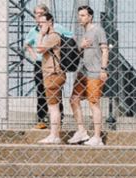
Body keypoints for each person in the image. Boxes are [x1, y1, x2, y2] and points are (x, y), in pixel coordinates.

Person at [24, 4, 72, 130]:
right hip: (40, 63)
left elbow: (71, 38)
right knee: (40, 91)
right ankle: (42, 119)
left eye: (41, 13)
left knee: (56, 91)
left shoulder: (57, 29)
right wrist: (34, 57)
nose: (38, 16)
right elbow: (28, 44)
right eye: (36, 14)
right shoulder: (33, 31)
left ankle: (58, 120)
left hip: (53, 64)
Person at [67, 5, 109, 147]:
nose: (80, 17)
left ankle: (97, 137)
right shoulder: (84, 33)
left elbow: (105, 50)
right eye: (79, 15)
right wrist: (80, 46)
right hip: (82, 72)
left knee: (93, 103)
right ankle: (81, 131)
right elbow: (80, 52)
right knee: (74, 99)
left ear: (90, 17)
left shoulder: (98, 30)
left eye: (83, 15)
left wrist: (103, 69)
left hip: (95, 72)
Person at [33, 12, 67, 144]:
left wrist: (41, 34)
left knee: (53, 107)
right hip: (52, 73)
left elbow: (39, 49)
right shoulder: (51, 37)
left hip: (53, 74)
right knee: (54, 105)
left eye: (42, 23)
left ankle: (54, 135)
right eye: (39, 23)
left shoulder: (53, 36)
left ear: (50, 22)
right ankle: (54, 134)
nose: (40, 25)